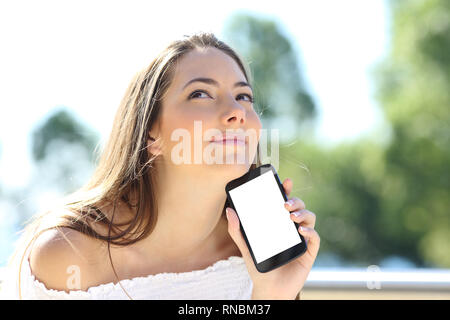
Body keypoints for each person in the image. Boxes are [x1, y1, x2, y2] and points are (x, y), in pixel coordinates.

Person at [3, 32, 319, 300]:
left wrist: (271, 296)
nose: (237, 112)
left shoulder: (257, 255)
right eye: (201, 93)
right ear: (151, 132)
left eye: (244, 96)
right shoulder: (68, 255)